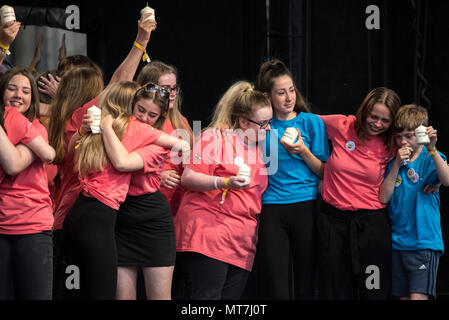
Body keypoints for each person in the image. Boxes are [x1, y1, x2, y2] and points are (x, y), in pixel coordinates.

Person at [48, 12, 156, 299]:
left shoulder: (67, 122)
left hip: (66, 220)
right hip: (86, 215)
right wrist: (141, 41)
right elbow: (120, 81)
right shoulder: (84, 117)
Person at [63, 81, 186, 299]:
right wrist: (86, 129)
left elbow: (123, 162)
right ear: (131, 105)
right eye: (140, 110)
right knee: (96, 289)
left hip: (149, 220)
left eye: (152, 115)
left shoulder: (146, 138)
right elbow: (71, 153)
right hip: (113, 217)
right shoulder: (123, 127)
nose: (144, 117)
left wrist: (106, 125)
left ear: (160, 118)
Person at [174, 81, 271, 300]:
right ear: (243, 121)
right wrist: (224, 182)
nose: (268, 128)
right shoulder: (214, 138)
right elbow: (188, 177)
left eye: (269, 122)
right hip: (209, 235)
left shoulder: (258, 150)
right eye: (263, 124)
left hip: (241, 242)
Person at [248, 59, 329, 299]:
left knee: (305, 278)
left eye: (291, 90)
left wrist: (303, 150)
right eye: (281, 93)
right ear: (267, 96)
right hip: (271, 206)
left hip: (305, 205)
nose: (288, 97)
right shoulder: (263, 126)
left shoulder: (310, 122)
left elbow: (324, 171)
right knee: (277, 281)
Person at [317, 87, 401, 300]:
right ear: (364, 111)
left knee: (373, 290)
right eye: (374, 117)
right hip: (333, 224)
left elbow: (420, 153)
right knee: (335, 290)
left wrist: (433, 180)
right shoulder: (342, 125)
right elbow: (302, 122)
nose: (378, 124)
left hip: (371, 229)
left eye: (385, 121)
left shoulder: (392, 142)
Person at [379, 105, 449, 300]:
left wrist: (432, 148)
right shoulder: (394, 162)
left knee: (418, 297)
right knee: (403, 297)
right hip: (398, 242)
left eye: (409, 136)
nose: (403, 141)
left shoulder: (429, 157)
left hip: (423, 241)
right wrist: (396, 166)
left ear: (421, 133)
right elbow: (383, 197)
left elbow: (447, 179)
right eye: (398, 136)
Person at [0, 67, 56, 299]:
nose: (18, 95)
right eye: (11, 88)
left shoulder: (36, 129)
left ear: (33, 98)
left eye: (25, 91)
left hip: (32, 228)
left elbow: (14, 164)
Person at [136, 61, 193, 215]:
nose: (172, 93)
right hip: (145, 203)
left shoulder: (181, 121)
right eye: (166, 89)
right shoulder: (140, 121)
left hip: (176, 205)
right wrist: (157, 177)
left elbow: (189, 162)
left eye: (174, 88)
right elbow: (119, 164)